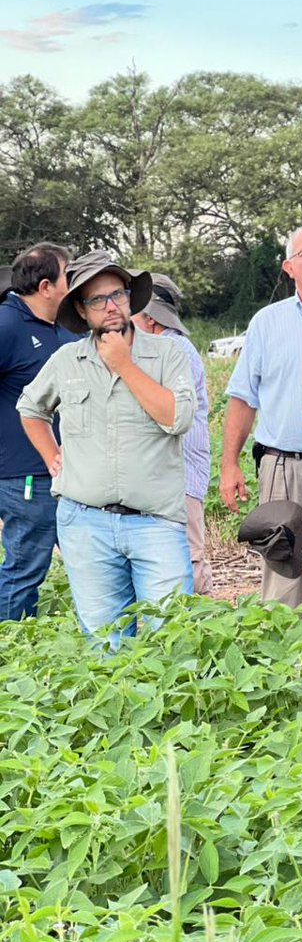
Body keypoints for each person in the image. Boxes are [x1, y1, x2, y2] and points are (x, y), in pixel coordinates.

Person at [17, 250, 195, 645]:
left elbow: (178, 418)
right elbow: (30, 408)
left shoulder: (168, 354)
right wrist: (52, 457)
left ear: (130, 296)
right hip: (86, 523)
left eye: (117, 294)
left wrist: (124, 365)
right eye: (97, 300)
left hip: (156, 522)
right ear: (82, 310)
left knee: (173, 639)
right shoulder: (67, 360)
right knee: (105, 644)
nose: (111, 306)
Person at [220, 225, 302, 606]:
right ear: (289, 267)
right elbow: (243, 399)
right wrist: (229, 465)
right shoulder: (267, 322)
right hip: (283, 466)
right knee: (285, 571)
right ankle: (287, 664)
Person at [0, 243, 74, 620]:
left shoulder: (64, 328)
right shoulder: (7, 325)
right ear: (46, 286)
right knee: (26, 566)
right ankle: (11, 648)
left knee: (89, 559)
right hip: (24, 473)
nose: (73, 282)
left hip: (72, 470)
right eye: (68, 275)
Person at [133, 273, 213, 594]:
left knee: (188, 558)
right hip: (168, 474)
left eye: (135, 314)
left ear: (151, 320)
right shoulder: (165, 347)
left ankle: (201, 627)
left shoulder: (173, 349)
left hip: (180, 473)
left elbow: (163, 411)